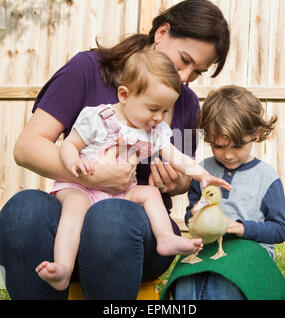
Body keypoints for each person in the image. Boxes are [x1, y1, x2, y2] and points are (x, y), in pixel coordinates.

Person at [0, 0, 230, 299]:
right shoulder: (88, 70)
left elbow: (183, 172)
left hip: (133, 236)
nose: (186, 78)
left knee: (111, 217)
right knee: (24, 210)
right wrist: (93, 177)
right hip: (75, 216)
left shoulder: (185, 101)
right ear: (162, 32)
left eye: (197, 72)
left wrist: (177, 182)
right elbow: (28, 147)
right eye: (184, 60)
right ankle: (58, 270)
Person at [35, 50, 233, 291]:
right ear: (124, 94)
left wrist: (201, 174)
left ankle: (165, 238)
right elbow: (69, 144)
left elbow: (175, 156)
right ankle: (63, 268)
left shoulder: (154, 130)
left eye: (165, 111)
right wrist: (74, 162)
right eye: (153, 109)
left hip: (119, 193)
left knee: (149, 194)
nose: (158, 118)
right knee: (75, 206)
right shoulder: (98, 117)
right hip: (80, 186)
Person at [172, 85, 285, 300]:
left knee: (223, 284)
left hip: (249, 248)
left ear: (255, 135)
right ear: (208, 137)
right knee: (185, 283)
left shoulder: (267, 177)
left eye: (236, 146)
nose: (227, 155)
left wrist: (241, 227)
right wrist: (196, 216)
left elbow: (280, 230)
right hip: (208, 245)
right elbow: (191, 213)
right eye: (218, 146)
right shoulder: (203, 171)